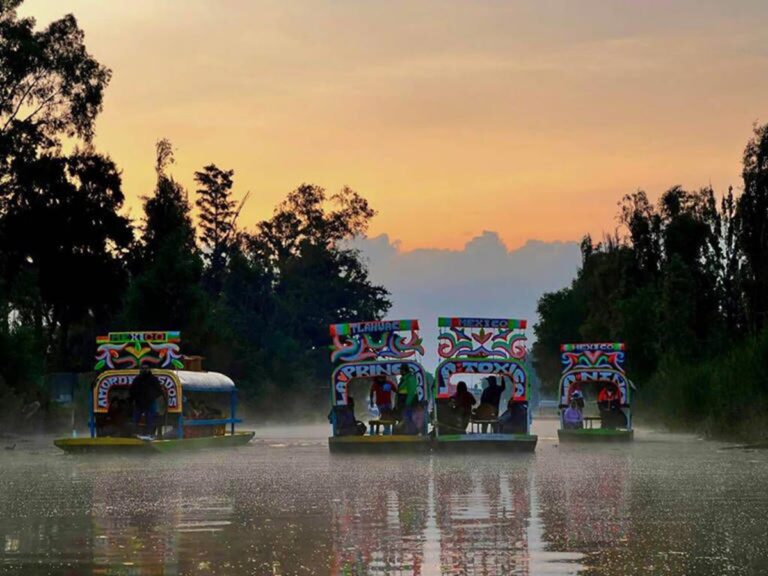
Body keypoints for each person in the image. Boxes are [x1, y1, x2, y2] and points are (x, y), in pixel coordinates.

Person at [130, 365, 163, 437]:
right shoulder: (137, 379)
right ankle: (134, 434)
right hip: (139, 402)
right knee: (135, 418)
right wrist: (135, 398)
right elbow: (132, 390)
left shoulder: (153, 379)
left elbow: (159, 391)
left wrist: (152, 396)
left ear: (149, 369)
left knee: (150, 418)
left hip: (150, 402)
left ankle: (150, 434)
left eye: (145, 368)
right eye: (142, 368)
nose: (144, 370)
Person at [398, 364, 420, 434]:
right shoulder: (404, 379)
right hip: (403, 403)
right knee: (406, 420)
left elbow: (411, 392)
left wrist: (407, 403)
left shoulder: (410, 378)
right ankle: (408, 433)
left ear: (404, 371)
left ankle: (412, 435)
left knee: (409, 419)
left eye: (401, 370)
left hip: (409, 403)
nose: (400, 371)